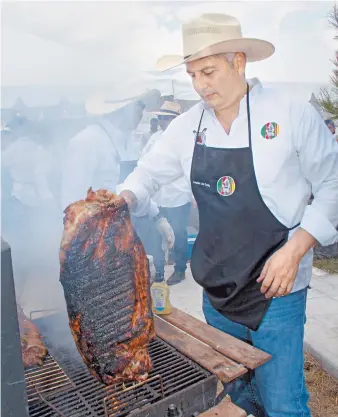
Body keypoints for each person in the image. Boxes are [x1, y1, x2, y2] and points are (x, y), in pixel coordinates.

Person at [119, 13, 338, 417]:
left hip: (277, 288)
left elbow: (332, 186)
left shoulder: (290, 114)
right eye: (193, 75)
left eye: (209, 71)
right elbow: (148, 173)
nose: (201, 85)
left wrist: (296, 250)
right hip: (216, 289)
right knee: (238, 391)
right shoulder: (186, 127)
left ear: (239, 62)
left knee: (283, 402)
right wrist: (124, 198)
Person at [61, 87, 174, 258]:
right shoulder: (87, 142)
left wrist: (157, 216)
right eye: (139, 107)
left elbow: (131, 185)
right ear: (121, 110)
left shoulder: (126, 141)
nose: (142, 114)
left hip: (123, 230)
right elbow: (72, 204)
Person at [141, 101, 192, 284]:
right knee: (156, 235)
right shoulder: (155, 138)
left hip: (178, 196)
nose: (162, 121)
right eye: (161, 118)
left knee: (178, 233)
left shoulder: (186, 139)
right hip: (157, 198)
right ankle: (159, 270)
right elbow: (144, 162)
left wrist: (194, 195)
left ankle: (179, 269)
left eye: (166, 118)